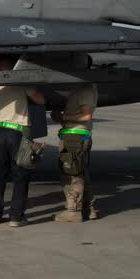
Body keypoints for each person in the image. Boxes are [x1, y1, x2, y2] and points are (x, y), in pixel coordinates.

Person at [0, 57, 46, 227]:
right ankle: (16, 217)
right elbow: (40, 100)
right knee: (21, 175)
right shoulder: (21, 81)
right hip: (19, 131)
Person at [52, 84, 99, 222]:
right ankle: (88, 209)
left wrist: (64, 117)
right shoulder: (81, 88)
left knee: (71, 174)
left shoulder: (85, 89)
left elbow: (86, 116)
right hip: (75, 135)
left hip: (75, 138)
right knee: (80, 172)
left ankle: (73, 212)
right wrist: (60, 118)